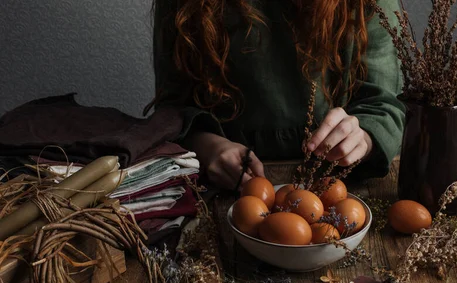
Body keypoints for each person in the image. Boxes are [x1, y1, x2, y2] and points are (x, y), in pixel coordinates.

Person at [147, 0, 405, 190]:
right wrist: (205, 144)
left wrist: (364, 137)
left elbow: (383, 105)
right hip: (223, 188)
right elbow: (172, 109)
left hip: (337, 186)